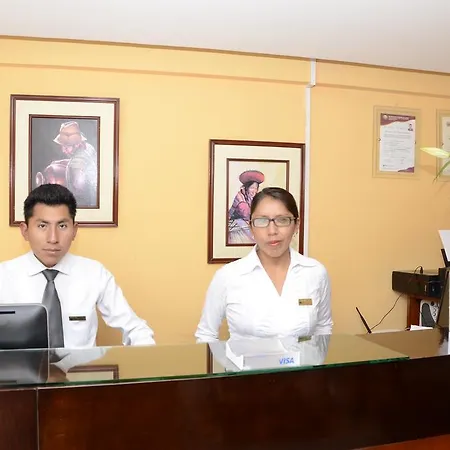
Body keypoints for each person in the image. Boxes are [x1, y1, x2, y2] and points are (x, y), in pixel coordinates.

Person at [0, 184, 155, 348]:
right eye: (42, 226)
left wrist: (147, 354)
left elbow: (135, 328)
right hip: (19, 365)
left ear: (74, 230)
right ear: (25, 231)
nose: (53, 238)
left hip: (82, 365)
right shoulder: (3, 276)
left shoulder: (95, 273)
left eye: (62, 226)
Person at [196, 187, 332, 342]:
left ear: (296, 225)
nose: (272, 231)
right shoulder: (228, 276)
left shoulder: (315, 272)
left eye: (282, 220)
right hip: (245, 359)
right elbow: (206, 334)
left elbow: (323, 328)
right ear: (251, 227)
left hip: (304, 359)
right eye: (262, 221)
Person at [228, 170, 264, 244]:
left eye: (256, 188)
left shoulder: (253, 197)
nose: (254, 191)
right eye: (252, 188)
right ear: (246, 188)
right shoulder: (240, 197)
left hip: (246, 222)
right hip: (234, 224)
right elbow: (246, 214)